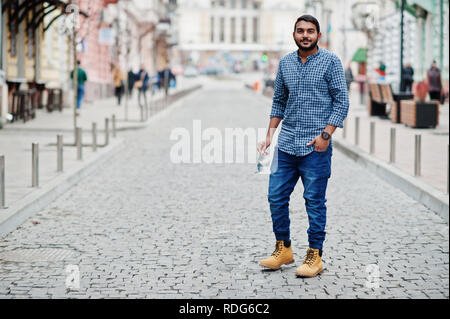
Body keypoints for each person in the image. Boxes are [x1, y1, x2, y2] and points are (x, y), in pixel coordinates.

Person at [257, 15, 349, 278]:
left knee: (314, 201)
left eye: (310, 31)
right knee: (275, 196)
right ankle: (283, 248)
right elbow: (278, 102)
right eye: (300, 31)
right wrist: (269, 136)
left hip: (315, 147)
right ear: (294, 34)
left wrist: (326, 135)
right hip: (286, 144)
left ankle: (315, 255)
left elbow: (341, 102)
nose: (305, 35)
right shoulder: (285, 63)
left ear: (318, 35)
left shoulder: (331, 62)